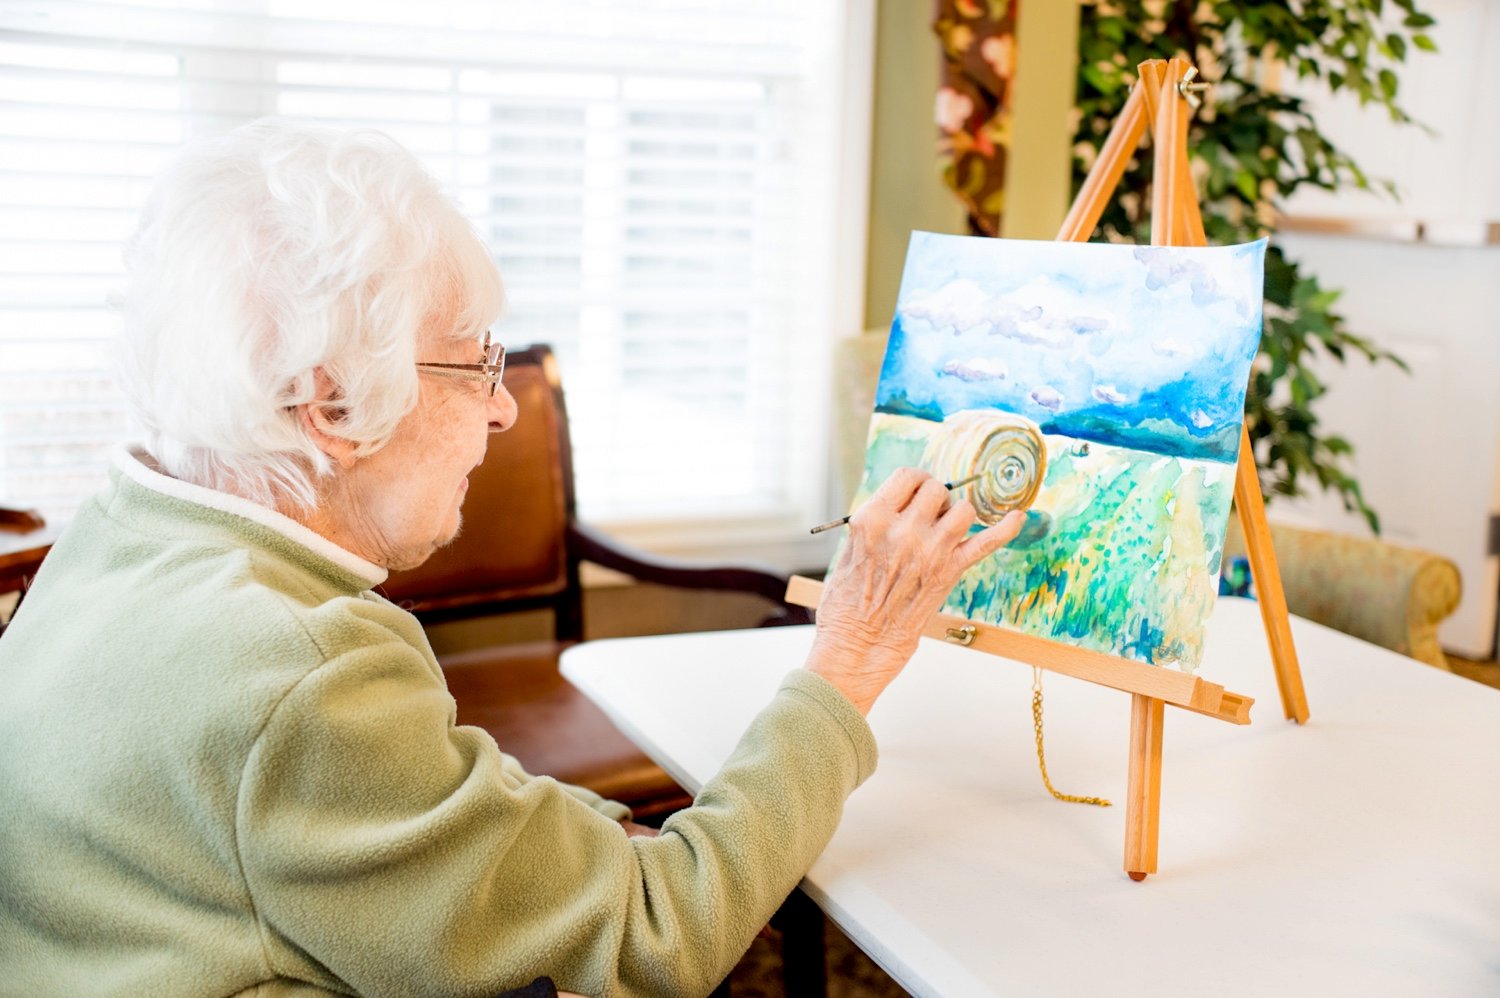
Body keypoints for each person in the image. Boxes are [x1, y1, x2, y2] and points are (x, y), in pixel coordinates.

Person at [0, 120, 1023, 997]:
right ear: (332, 407)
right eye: (475, 359)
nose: (500, 404)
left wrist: (571, 834)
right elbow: (669, 931)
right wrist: (848, 653)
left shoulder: (114, 535)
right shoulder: (303, 671)